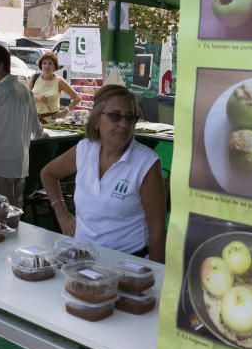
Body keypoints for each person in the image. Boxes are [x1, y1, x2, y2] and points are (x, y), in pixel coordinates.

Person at [41, 85, 165, 262]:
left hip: (127, 265)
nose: (124, 124)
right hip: (81, 260)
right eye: (115, 116)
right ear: (97, 120)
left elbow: (158, 229)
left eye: (130, 118)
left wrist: (156, 276)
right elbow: (48, 174)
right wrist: (62, 214)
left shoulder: (146, 163)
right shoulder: (84, 150)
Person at [0, 45, 42, 207]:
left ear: (0, 66)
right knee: (16, 207)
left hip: (1, 160)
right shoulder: (25, 90)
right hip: (20, 160)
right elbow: (37, 130)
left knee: (2, 209)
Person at [29, 52, 79, 123]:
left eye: (50, 63)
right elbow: (24, 96)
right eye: (44, 63)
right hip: (32, 121)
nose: (46, 66)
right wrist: (37, 97)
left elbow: (77, 98)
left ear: (54, 66)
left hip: (50, 123)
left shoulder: (59, 81)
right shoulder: (34, 77)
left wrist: (64, 112)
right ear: (41, 65)